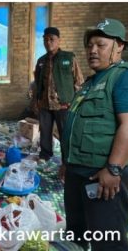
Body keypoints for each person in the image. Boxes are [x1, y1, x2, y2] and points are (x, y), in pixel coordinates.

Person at [61, 18, 128, 251]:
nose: (92, 50)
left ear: (119, 46)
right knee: (76, 232)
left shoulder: (125, 76)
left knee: (107, 239)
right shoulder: (90, 83)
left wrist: (113, 169)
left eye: (100, 45)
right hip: (76, 172)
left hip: (102, 177)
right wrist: (67, 163)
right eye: (89, 45)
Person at [33, 26, 83, 161]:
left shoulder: (69, 57)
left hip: (63, 105)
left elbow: (78, 81)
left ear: (58, 40)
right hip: (45, 104)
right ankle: (45, 155)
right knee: (45, 132)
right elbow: (37, 83)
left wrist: (76, 103)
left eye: (51, 39)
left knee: (65, 133)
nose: (48, 42)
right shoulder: (41, 61)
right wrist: (36, 101)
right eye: (45, 39)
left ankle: (67, 159)